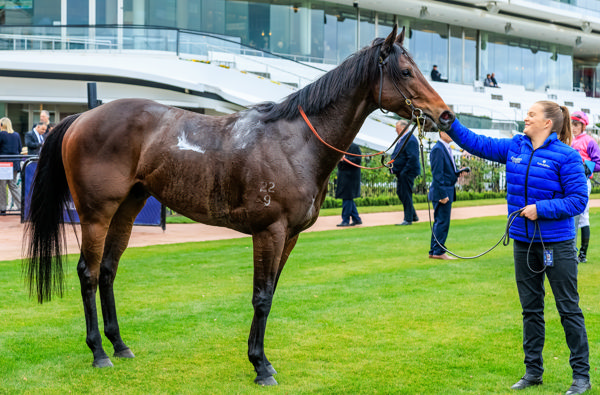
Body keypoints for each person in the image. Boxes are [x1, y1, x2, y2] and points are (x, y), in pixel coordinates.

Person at [446, 101, 591, 394]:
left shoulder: (566, 156)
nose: (526, 118)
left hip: (558, 245)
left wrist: (542, 208)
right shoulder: (515, 147)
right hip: (524, 243)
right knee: (531, 310)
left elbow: (578, 200)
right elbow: (477, 143)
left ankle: (581, 378)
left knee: (568, 309)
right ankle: (533, 373)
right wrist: (449, 122)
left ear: (548, 123)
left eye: (532, 114)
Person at [428, 131, 468, 259]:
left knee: (440, 222)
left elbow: (445, 172)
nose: (452, 134)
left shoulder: (445, 148)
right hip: (442, 192)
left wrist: (457, 173)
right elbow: (437, 174)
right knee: (442, 222)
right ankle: (439, 252)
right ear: (441, 132)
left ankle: (434, 251)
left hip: (446, 189)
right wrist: (442, 194)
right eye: (448, 132)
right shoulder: (438, 149)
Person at [570, 110, 600, 263]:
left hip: (582, 182)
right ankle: (572, 252)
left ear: (583, 126)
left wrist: (586, 168)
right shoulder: (569, 140)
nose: (574, 127)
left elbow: (598, 162)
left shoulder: (589, 141)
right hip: (569, 182)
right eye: (572, 124)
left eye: (577, 125)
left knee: (582, 217)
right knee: (571, 215)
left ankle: (582, 254)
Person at [391, 119, 420, 225]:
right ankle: (413, 215)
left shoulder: (410, 139)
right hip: (402, 172)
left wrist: (404, 171)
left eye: (397, 128)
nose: (396, 131)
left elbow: (412, 158)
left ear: (403, 128)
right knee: (401, 192)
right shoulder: (403, 139)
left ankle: (408, 219)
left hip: (407, 172)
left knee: (406, 194)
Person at [335, 142, 363, 227]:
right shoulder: (341, 146)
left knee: (347, 198)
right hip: (344, 176)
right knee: (348, 198)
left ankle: (345, 220)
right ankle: (356, 219)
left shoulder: (354, 147)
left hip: (351, 177)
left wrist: (345, 159)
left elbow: (358, 160)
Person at [0, 117, 23, 214]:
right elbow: (20, 148)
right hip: (14, 163)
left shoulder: (1, 134)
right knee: (13, 185)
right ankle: (21, 207)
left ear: (2, 125)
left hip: (3, 164)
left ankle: (2, 208)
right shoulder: (16, 135)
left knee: (2, 186)